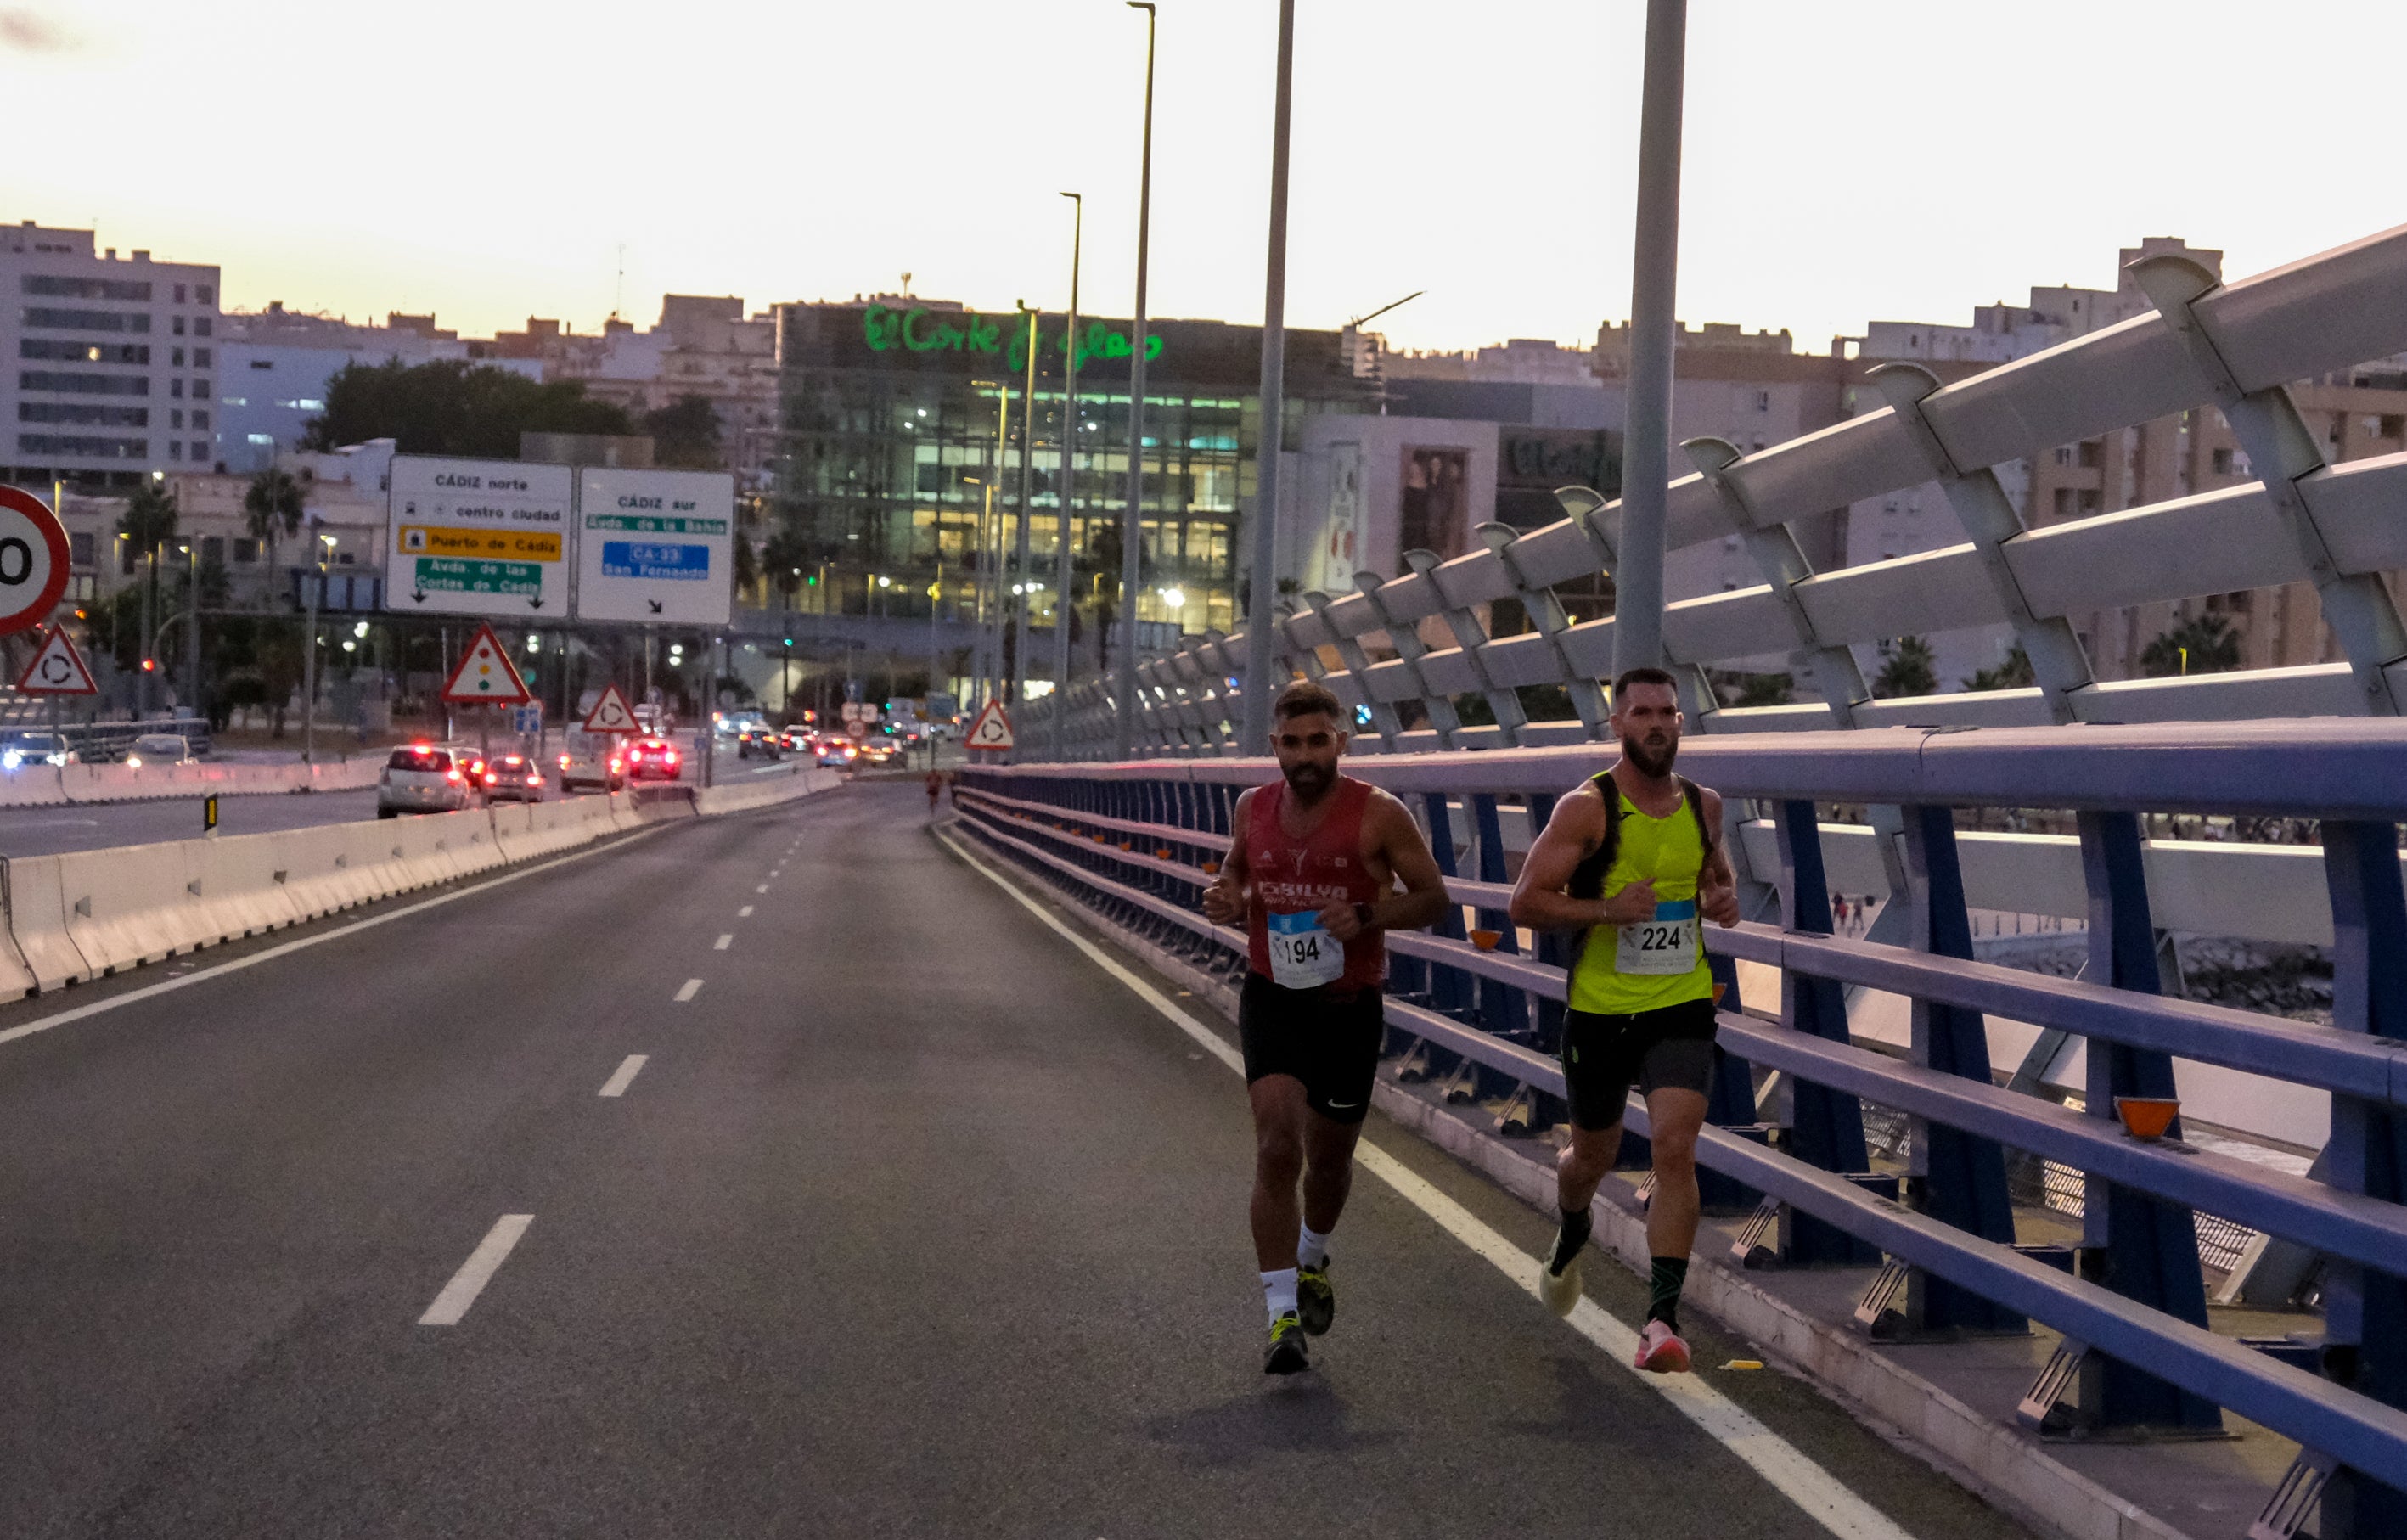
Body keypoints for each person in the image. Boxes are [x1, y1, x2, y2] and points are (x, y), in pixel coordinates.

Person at [1201, 679, 1448, 1375]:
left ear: (1340, 741)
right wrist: (1226, 895)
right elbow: (1237, 872)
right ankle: (1281, 1315)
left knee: (1331, 1159)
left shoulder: (1379, 814)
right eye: (1291, 743)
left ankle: (1312, 1256)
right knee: (1277, 1145)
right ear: (1274, 746)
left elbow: (1434, 898)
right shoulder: (1253, 808)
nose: (1305, 756)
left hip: (1346, 1004)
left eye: (1318, 741)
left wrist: (1367, 915)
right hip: (1273, 995)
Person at [1507, 666, 1742, 1374]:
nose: (1657, 724)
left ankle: (1660, 1320)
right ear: (1616, 724)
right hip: (1600, 1011)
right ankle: (1571, 1226)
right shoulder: (1586, 809)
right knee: (1591, 1159)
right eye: (1641, 713)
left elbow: (1715, 879)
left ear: (1680, 722)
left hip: (1680, 1002)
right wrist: (1607, 910)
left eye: (1667, 713)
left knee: (1674, 1148)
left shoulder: (1704, 805)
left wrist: (1721, 898)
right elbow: (1525, 902)